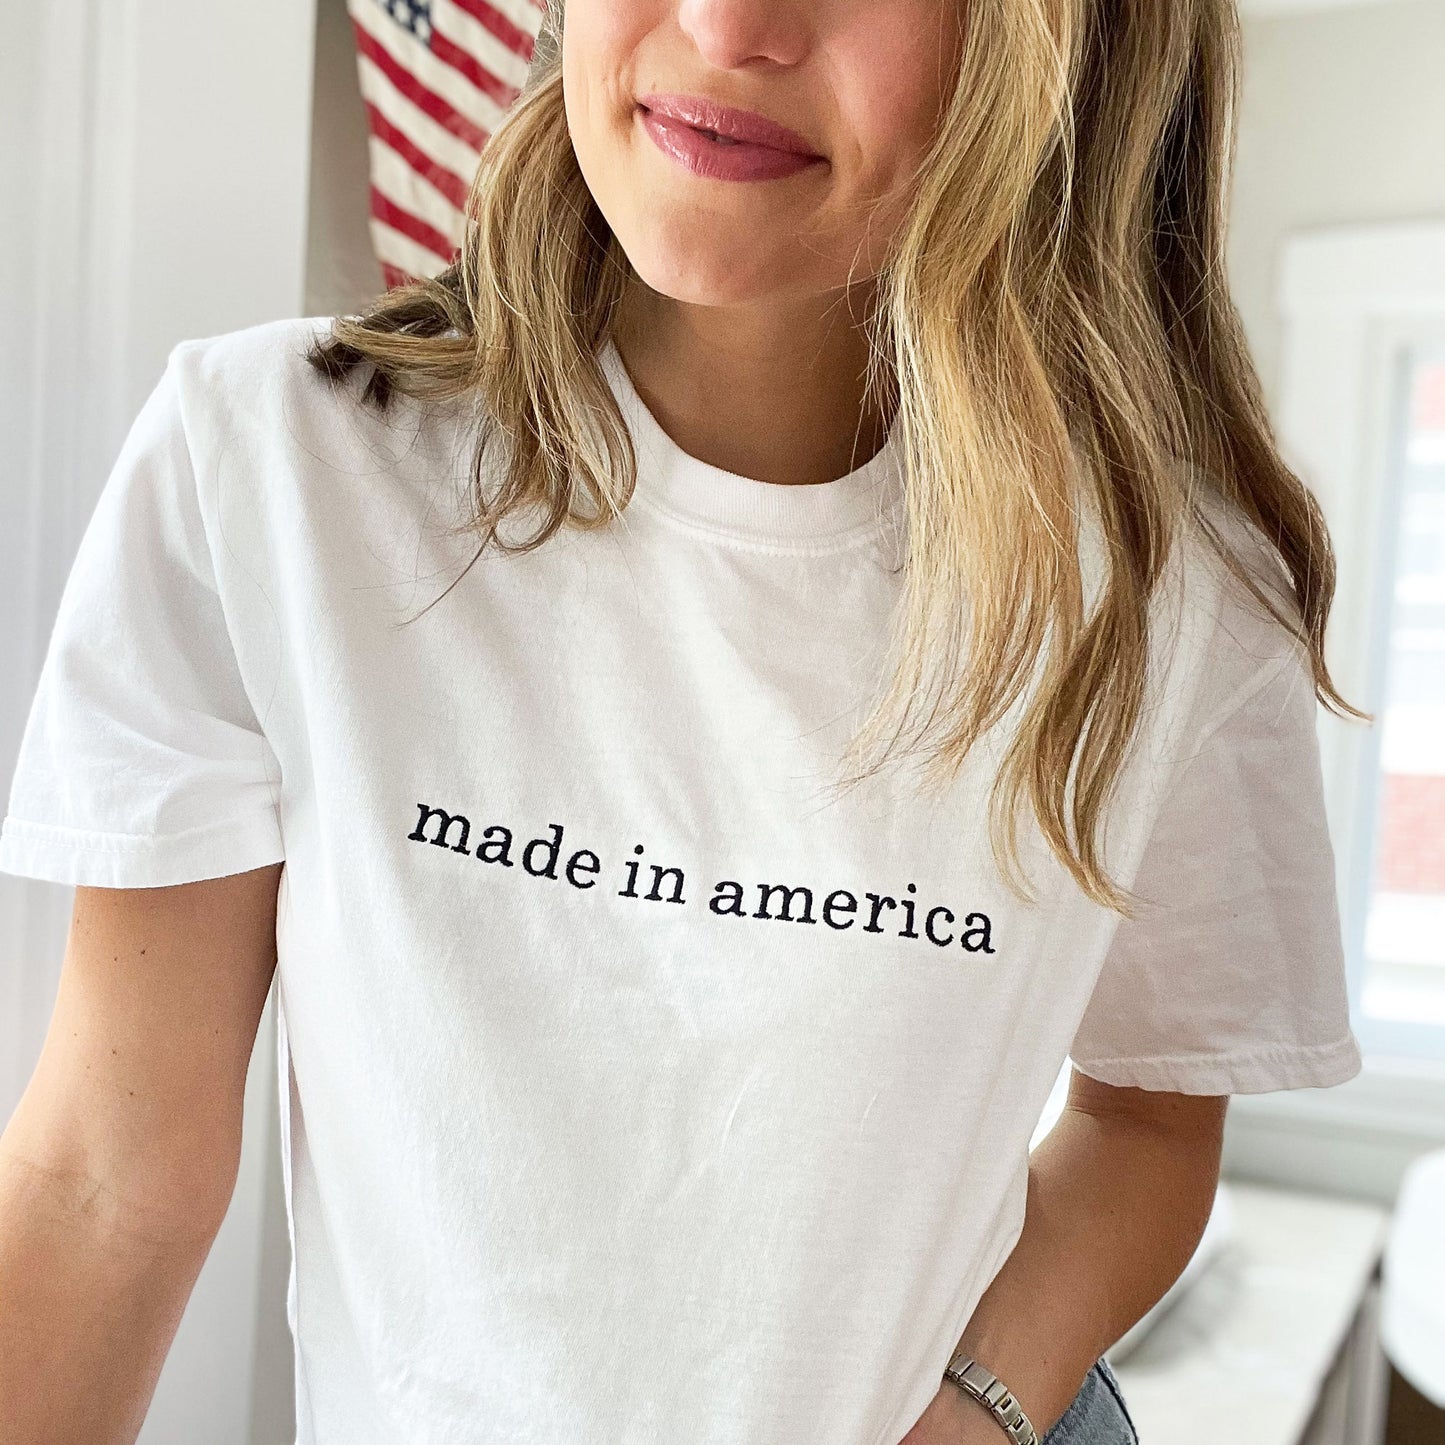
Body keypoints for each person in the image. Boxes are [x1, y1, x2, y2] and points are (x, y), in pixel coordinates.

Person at [0, 0, 1366, 1440]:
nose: (728, 25)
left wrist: (971, 1413)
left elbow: (1145, 1119)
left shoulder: (1169, 593)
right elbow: (106, 1179)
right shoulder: (264, 465)